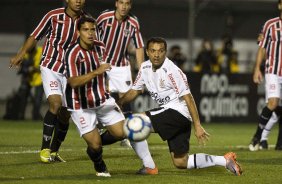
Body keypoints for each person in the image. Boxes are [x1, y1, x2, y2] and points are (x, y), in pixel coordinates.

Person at [118, 37, 242, 176]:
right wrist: (120, 102)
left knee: (135, 123)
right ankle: (225, 160)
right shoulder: (145, 67)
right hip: (176, 116)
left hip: (177, 113)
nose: (156, 54)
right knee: (181, 162)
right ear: (147, 52)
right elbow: (135, 90)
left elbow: (188, 98)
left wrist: (198, 125)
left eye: (160, 51)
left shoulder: (172, 71)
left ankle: (149, 167)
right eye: (153, 51)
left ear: (165, 52)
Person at [64, 16, 157, 177]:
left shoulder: (100, 47)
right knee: (95, 146)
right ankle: (99, 165)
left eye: (93, 29)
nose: (90, 33)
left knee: (124, 132)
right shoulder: (72, 53)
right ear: (78, 32)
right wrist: (95, 73)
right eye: (86, 30)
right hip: (80, 105)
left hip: (102, 100)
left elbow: (110, 69)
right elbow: (72, 82)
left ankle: (146, 164)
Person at [10, 0, 88, 163]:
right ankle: (44, 148)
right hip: (50, 66)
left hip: (71, 72)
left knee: (66, 114)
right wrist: (21, 54)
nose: (79, 1)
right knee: (55, 104)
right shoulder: (53, 16)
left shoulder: (86, 20)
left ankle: (54, 151)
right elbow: (35, 35)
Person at [96, 0, 144, 147]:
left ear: (130, 6)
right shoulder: (104, 17)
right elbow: (91, 35)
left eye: (127, 3)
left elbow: (139, 47)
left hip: (122, 66)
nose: (124, 6)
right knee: (103, 98)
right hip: (104, 64)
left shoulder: (133, 23)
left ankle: (126, 135)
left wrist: (142, 72)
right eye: (121, 2)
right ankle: (98, 126)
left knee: (126, 100)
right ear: (116, 3)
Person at [249, 0, 282, 151]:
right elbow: (262, 48)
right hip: (273, 70)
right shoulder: (271, 24)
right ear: (280, 5)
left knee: (278, 112)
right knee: (273, 103)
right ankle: (258, 136)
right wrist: (257, 68)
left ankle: (269, 140)